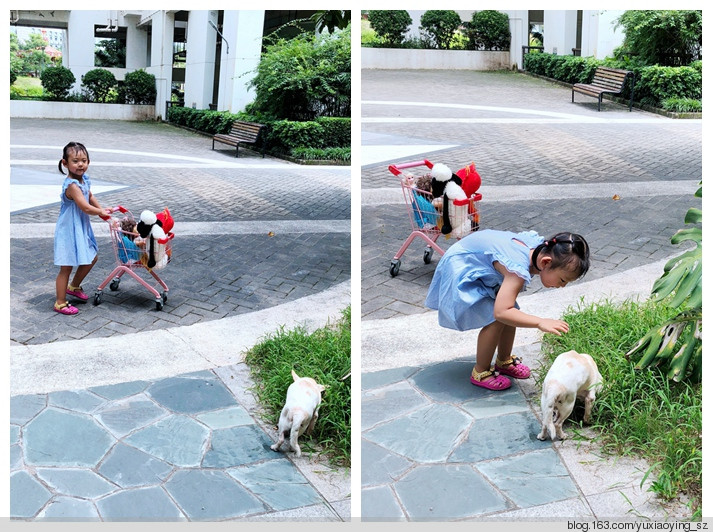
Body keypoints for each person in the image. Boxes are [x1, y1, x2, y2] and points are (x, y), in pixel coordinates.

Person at [425, 229, 590, 390]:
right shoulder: (517, 268)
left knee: (513, 312)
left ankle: (503, 360)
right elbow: (501, 312)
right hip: (460, 265)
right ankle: (480, 371)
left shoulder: (536, 250)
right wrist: (540, 322)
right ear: (545, 262)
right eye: (562, 280)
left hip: (475, 260)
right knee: (497, 318)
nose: (562, 286)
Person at [53, 142, 110, 315]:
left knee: (91, 257)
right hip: (68, 229)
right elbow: (85, 207)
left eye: (84, 160)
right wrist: (100, 211)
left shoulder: (83, 180)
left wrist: (101, 211)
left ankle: (74, 286)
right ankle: (60, 302)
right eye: (75, 161)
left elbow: (90, 195)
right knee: (66, 267)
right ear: (65, 163)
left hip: (80, 227)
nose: (80, 164)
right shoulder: (72, 186)